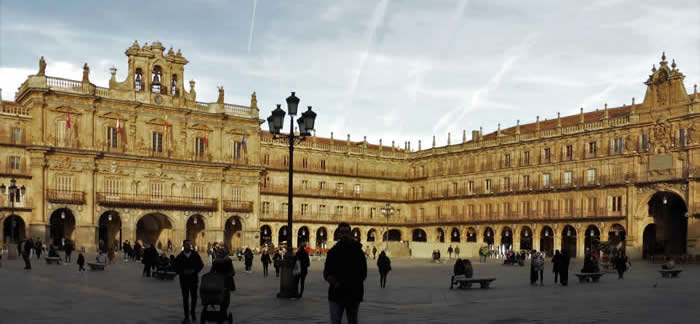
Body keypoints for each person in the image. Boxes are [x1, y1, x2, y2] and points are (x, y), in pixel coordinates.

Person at [323, 223, 367, 324]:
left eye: (346, 232)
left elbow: (363, 273)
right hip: (336, 293)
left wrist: (352, 284)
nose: (344, 235)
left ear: (350, 234)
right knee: (335, 321)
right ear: (338, 234)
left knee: (352, 321)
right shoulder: (332, 252)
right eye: (342, 232)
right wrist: (334, 282)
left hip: (353, 294)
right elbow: (326, 273)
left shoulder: (358, 252)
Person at [174, 240, 204, 323]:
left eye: (189, 244)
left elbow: (201, 265)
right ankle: (186, 315)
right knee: (185, 298)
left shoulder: (195, 255)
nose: (188, 246)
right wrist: (182, 272)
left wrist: (194, 271)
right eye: (186, 244)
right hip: (184, 280)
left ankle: (193, 312)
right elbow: (175, 266)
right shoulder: (180, 256)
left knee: (194, 297)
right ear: (183, 245)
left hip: (193, 279)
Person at [209, 247, 235, 312]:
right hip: (218, 280)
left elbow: (232, 271)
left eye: (221, 253)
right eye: (219, 253)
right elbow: (212, 270)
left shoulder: (228, 261)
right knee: (219, 295)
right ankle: (221, 308)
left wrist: (229, 274)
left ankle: (223, 309)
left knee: (225, 296)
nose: (219, 254)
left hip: (226, 280)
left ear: (224, 253)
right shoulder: (216, 261)